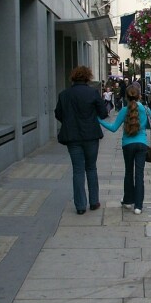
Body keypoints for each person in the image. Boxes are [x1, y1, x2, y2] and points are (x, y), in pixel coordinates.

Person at [54, 66, 108, 215]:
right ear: (87, 77)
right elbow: (103, 114)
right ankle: (94, 201)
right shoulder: (93, 93)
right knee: (91, 168)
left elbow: (58, 114)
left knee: (77, 170)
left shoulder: (64, 94)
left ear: (73, 77)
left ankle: (80, 206)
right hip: (91, 136)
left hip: (72, 137)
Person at [99, 84, 151, 215]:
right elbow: (150, 126)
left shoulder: (124, 110)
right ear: (139, 95)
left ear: (126, 97)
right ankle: (138, 206)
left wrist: (98, 120)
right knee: (139, 175)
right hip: (142, 144)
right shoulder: (145, 109)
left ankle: (128, 201)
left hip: (127, 145)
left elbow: (113, 128)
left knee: (129, 172)